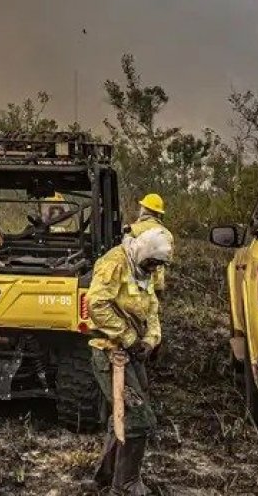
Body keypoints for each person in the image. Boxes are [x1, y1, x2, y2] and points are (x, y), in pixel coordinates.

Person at [87, 226, 174, 494]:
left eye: (157, 265)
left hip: (133, 352)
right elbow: (97, 304)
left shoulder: (146, 270)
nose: (153, 268)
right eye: (151, 263)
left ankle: (107, 475)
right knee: (138, 418)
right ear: (144, 252)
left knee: (124, 415)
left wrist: (149, 341)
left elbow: (152, 309)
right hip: (111, 352)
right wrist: (127, 338)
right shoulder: (115, 263)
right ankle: (125, 485)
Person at [127, 193, 169, 294]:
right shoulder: (167, 234)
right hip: (156, 286)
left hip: (136, 286)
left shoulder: (133, 229)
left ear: (144, 209)